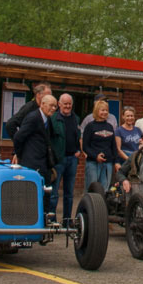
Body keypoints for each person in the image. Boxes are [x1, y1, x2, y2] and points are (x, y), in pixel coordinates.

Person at [51, 93, 82, 221]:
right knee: (54, 192)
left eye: (69, 104)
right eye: (65, 104)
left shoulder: (76, 119)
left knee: (69, 194)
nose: (67, 106)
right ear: (59, 104)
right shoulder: (53, 119)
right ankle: (51, 219)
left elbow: (78, 136)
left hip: (72, 159)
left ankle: (67, 220)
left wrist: (78, 150)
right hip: (59, 160)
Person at [13, 94, 58, 178]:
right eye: (51, 105)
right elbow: (18, 137)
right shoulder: (33, 118)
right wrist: (19, 155)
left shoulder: (47, 119)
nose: (53, 109)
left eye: (55, 106)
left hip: (43, 164)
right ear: (42, 104)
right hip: (31, 163)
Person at [82, 100, 116, 190]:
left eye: (106, 110)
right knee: (92, 188)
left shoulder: (110, 126)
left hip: (107, 163)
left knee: (105, 189)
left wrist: (115, 161)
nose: (104, 112)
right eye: (102, 110)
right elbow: (85, 146)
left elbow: (113, 146)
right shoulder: (90, 126)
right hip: (93, 163)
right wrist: (95, 156)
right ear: (97, 111)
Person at [114, 106, 143, 174]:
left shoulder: (138, 130)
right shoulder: (119, 131)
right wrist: (130, 160)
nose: (130, 118)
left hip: (136, 160)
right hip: (124, 161)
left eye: (131, 116)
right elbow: (118, 150)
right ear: (123, 117)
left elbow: (142, 145)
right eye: (127, 116)